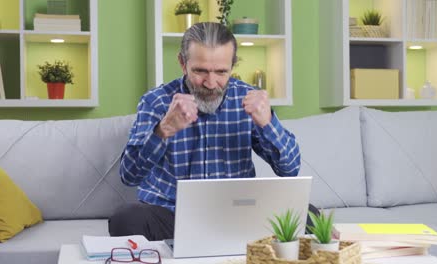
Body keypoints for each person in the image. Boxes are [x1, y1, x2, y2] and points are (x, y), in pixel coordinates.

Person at [109, 22, 301, 241]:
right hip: (172, 216)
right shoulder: (156, 102)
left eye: (221, 72)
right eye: (200, 71)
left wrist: (268, 124)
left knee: (307, 214)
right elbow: (129, 175)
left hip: (238, 214)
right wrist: (163, 131)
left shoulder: (249, 98)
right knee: (125, 219)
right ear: (183, 63)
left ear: (233, 65)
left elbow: (290, 170)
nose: (211, 83)